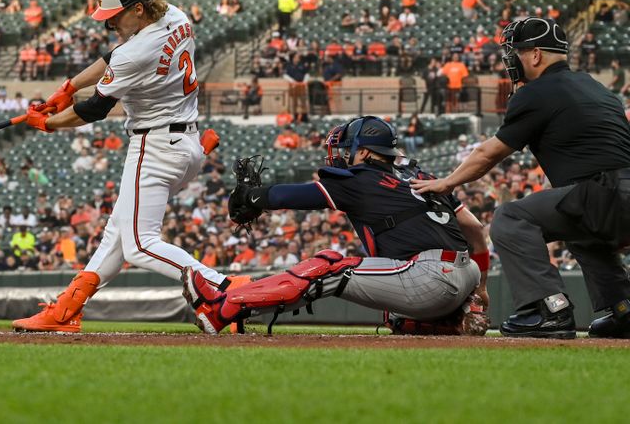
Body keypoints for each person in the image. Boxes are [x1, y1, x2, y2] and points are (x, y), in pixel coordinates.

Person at [12, 0, 244, 333]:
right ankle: (67, 310)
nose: (110, 26)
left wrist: (49, 123)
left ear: (138, 9)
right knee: (117, 235)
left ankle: (227, 290)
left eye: (115, 18)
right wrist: (69, 86)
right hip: (187, 144)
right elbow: (113, 56)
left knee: (138, 244)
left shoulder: (136, 52)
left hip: (154, 147)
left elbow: (95, 110)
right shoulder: (176, 16)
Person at [412, 18, 630, 339]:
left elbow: (489, 153)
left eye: (517, 52)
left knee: (510, 217)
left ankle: (548, 309)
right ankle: (624, 308)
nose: (512, 60)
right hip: (616, 192)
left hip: (602, 191)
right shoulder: (597, 88)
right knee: (583, 232)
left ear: (536, 55)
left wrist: (446, 183)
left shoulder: (536, 92)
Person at [182, 116, 490, 335]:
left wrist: (253, 196)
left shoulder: (362, 179)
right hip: (465, 274)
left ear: (366, 153)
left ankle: (222, 308)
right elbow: (473, 227)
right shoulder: (419, 175)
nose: (343, 157)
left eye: (349, 150)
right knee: (395, 315)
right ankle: (458, 318)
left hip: (429, 278)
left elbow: (294, 195)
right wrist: (483, 284)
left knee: (328, 267)